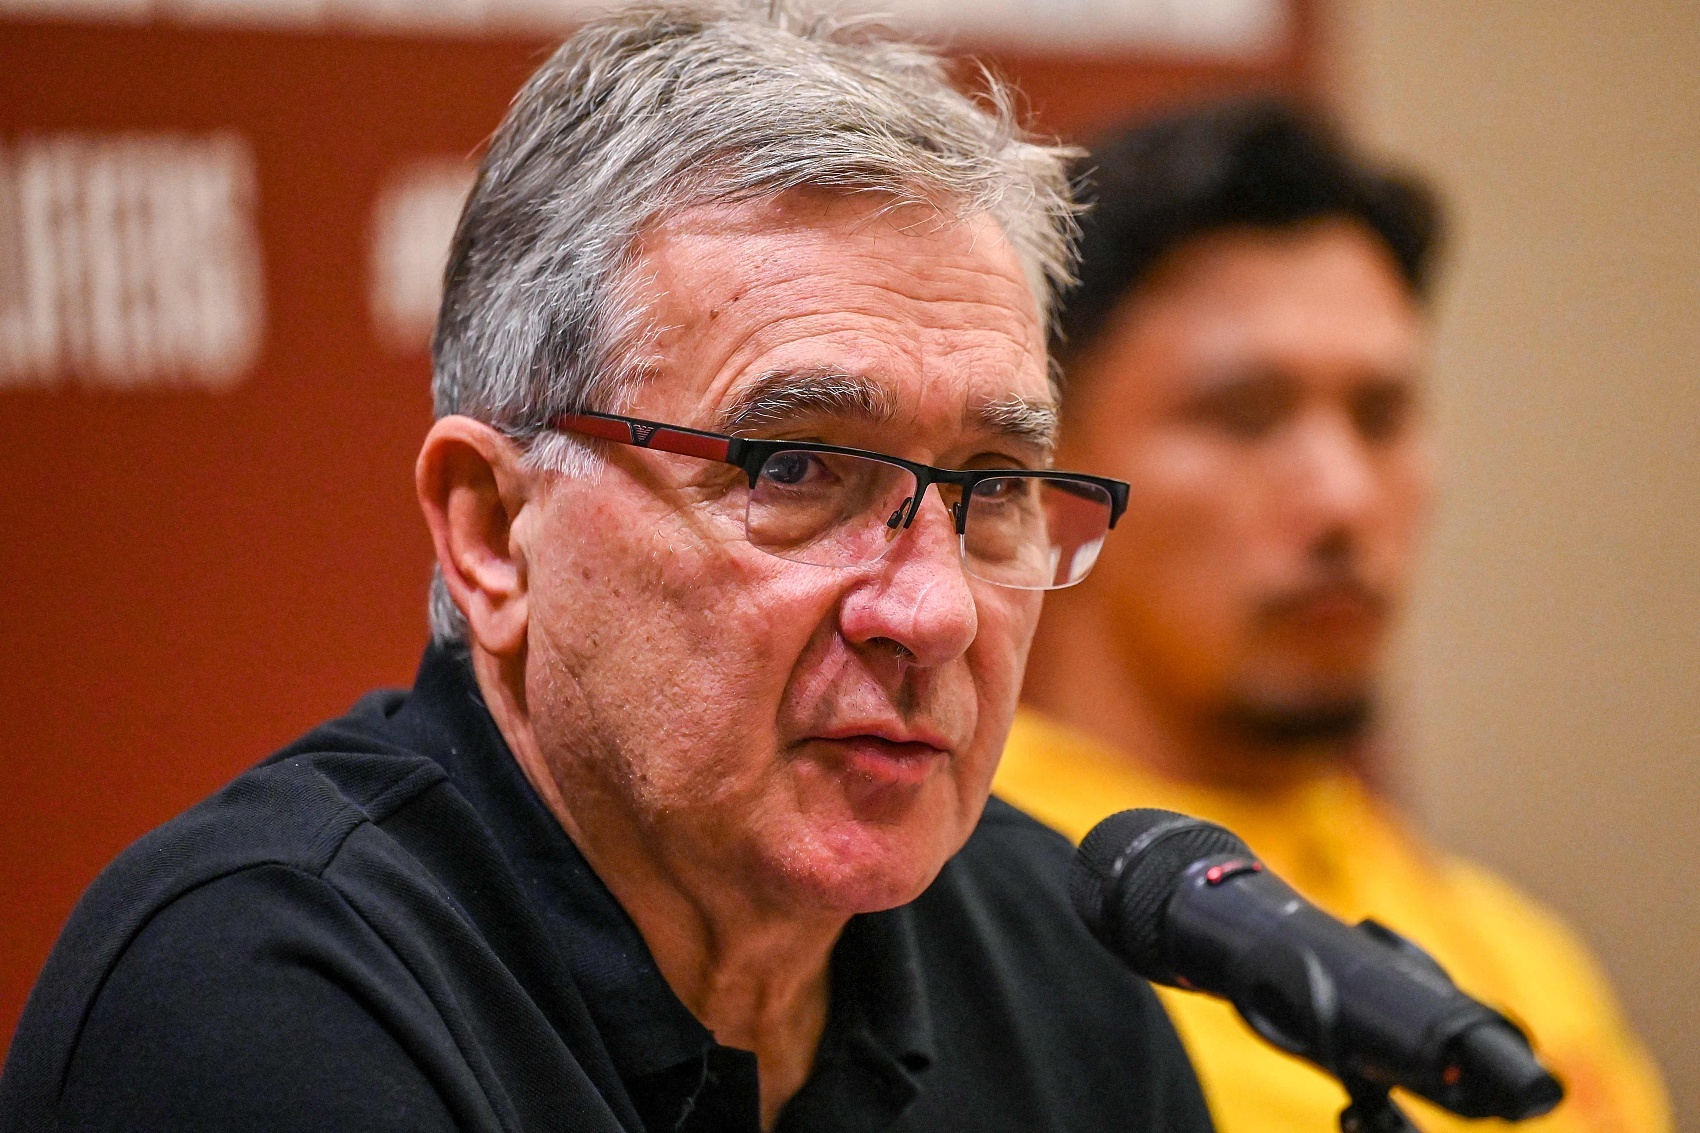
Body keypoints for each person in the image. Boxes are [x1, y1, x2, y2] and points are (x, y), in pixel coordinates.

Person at [0, 4, 1217, 1132]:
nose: (934, 609)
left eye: (992, 487)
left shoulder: (1062, 969)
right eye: (794, 468)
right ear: (493, 531)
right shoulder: (259, 996)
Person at [993, 98, 1671, 1132]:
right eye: (1244, 414)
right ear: (1051, 469)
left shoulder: (1524, 959)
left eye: (1381, 415)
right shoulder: (956, 913)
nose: (1342, 497)